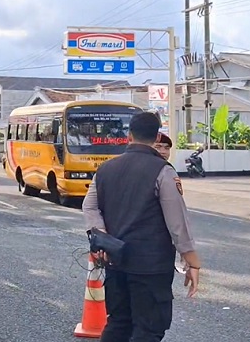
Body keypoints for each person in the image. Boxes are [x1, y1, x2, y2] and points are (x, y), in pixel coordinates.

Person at [82, 112, 201, 342]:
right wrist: (192, 261)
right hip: (151, 267)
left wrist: (103, 239)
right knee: (148, 329)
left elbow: (90, 207)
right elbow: (177, 223)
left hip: (115, 261)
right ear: (156, 137)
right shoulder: (163, 171)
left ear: (129, 135)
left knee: (118, 323)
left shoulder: (105, 169)